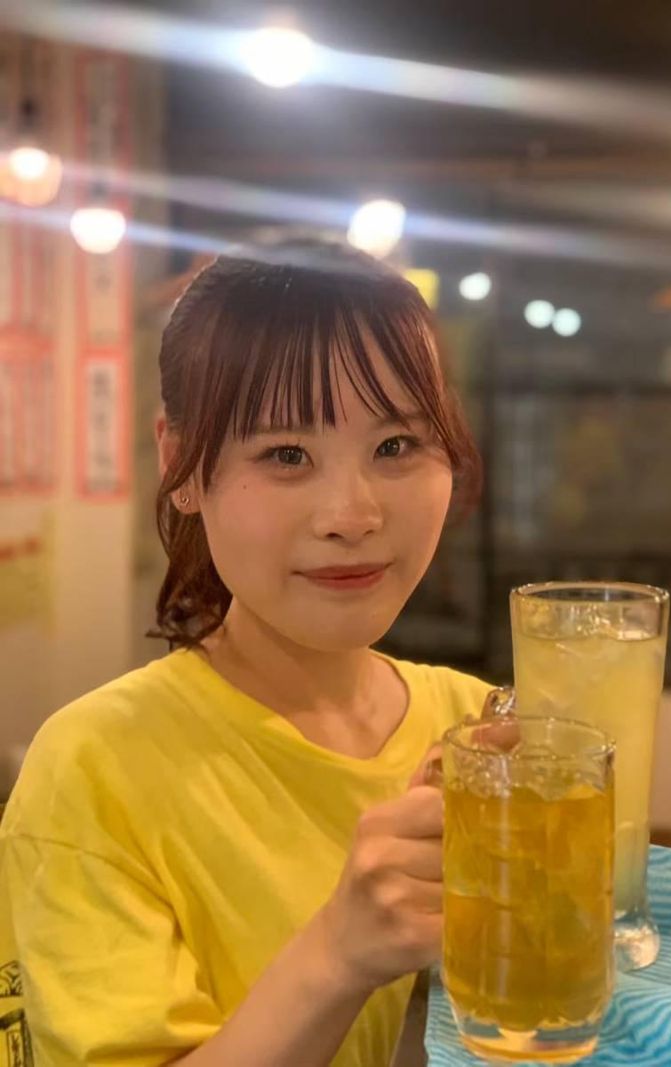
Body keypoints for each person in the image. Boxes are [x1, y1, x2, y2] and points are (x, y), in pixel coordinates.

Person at [0, 240, 492, 1067]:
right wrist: (339, 951)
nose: (352, 515)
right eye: (286, 455)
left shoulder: (472, 729)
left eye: (396, 446)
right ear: (180, 464)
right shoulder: (95, 769)